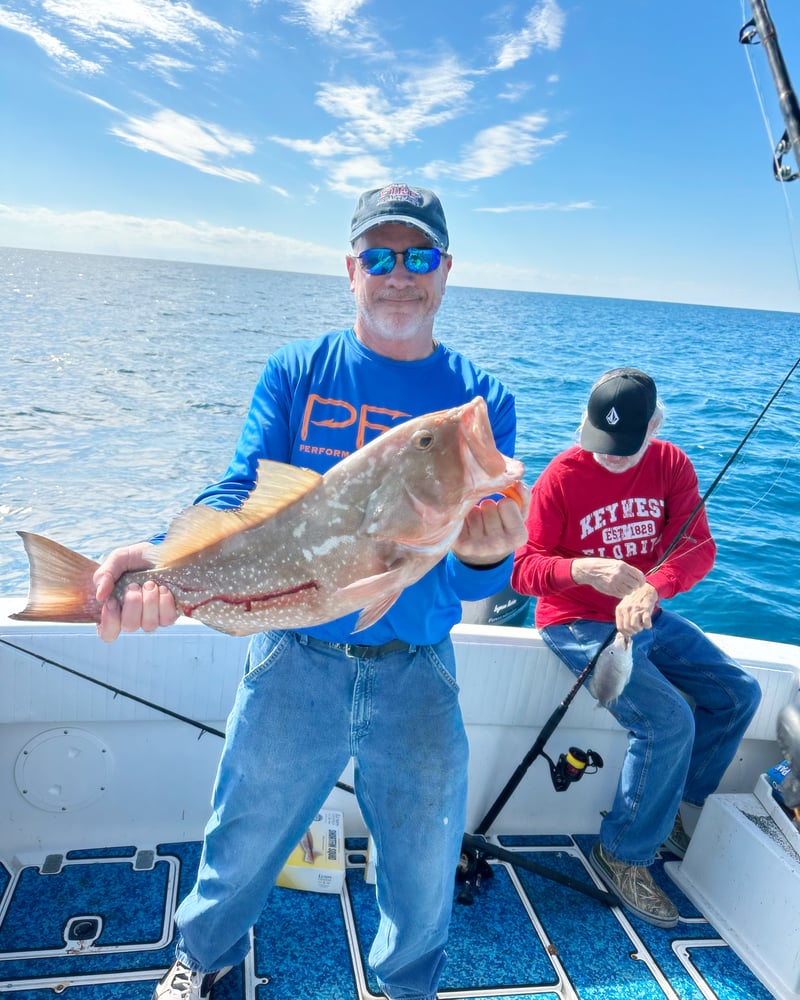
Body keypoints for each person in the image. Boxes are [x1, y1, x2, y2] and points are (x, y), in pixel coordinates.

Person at [93, 183, 529, 1000]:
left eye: (420, 255)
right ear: (351, 269)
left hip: (418, 668)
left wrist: (483, 554)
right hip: (293, 653)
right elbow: (238, 494)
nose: (400, 274)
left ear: (446, 270)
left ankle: (408, 988)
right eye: (380, 256)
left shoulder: (484, 401)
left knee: (424, 859)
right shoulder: (298, 370)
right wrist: (160, 562)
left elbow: (485, 569)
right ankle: (205, 958)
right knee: (244, 835)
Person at [511, 367, 761, 928]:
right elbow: (523, 569)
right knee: (668, 720)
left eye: (626, 449)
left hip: (645, 613)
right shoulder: (562, 476)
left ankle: (669, 807)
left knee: (739, 693)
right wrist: (582, 569)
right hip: (574, 621)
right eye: (603, 445)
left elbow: (698, 547)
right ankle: (622, 852)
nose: (612, 458)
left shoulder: (671, 464)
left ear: (654, 426)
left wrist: (652, 587)